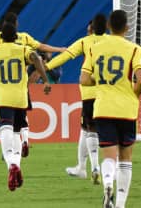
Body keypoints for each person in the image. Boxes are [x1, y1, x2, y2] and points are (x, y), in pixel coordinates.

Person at [0, 12, 66, 155]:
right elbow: (41, 48)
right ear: (16, 24)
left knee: (3, 122)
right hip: (20, 86)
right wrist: (59, 50)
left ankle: (8, 151)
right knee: (20, 117)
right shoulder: (24, 38)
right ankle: (24, 141)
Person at [80, 10, 141, 208]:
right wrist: (133, 93)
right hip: (126, 109)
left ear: (109, 26)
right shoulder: (134, 49)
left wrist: (100, 80)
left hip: (103, 108)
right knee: (125, 159)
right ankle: (120, 204)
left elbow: (84, 79)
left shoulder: (95, 48)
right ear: (127, 28)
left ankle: (107, 183)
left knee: (109, 156)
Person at [0, 23, 51, 192]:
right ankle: (16, 163)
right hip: (20, 96)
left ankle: (11, 165)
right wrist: (45, 80)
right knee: (17, 132)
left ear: (1, 38)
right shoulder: (22, 49)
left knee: (5, 130)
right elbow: (37, 58)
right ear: (16, 37)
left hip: (2, 97)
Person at [45, 14, 108, 182]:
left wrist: (45, 67)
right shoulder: (112, 41)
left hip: (89, 92)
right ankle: (81, 167)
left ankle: (95, 167)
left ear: (92, 28)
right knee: (85, 130)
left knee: (90, 131)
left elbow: (65, 56)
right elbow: (136, 50)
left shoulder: (84, 42)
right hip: (108, 92)